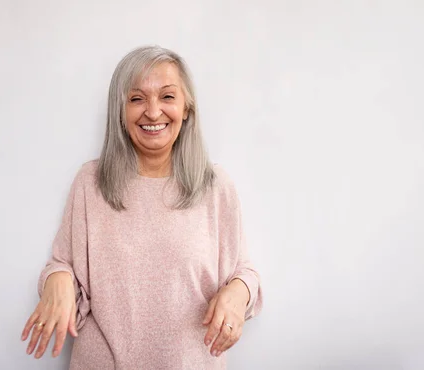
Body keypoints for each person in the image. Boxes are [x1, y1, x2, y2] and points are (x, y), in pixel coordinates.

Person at [21, 45, 263, 369]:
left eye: (167, 97)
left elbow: (244, 273)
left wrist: (238, 293)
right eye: (136, 99)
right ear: (120, 110)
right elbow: (62, 269)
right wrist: (58, 279)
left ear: (187, 108)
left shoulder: (215, 185)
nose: (152, 112)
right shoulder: (90, 183)